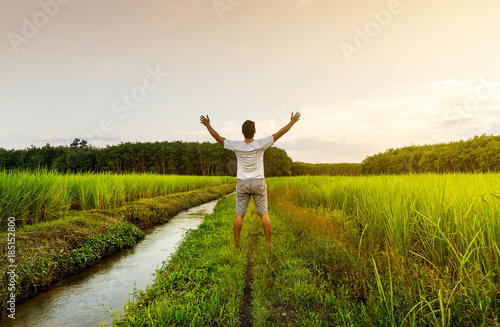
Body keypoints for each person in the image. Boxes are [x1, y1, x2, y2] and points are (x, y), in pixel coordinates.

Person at [200, 112, 301, 249]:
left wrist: (208, 125)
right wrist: (292, 122)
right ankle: (269, 244)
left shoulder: (237, 145)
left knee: (239, 215)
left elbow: (218, 137)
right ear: (254, 131)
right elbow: (280, 133)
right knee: (264, 214)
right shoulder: (261, 143)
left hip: (243, 182)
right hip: (258, 182)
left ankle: (236, 246)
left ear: (242, 132)